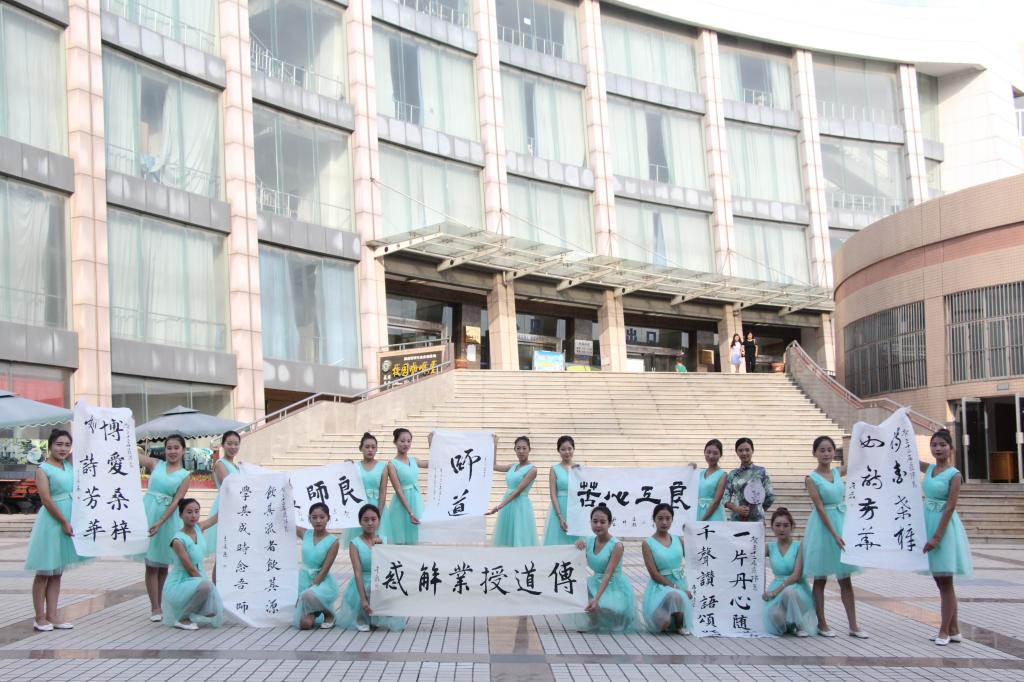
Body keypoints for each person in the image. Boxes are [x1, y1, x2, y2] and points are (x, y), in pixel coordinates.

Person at [803, 435, 866, 639]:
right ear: (814, 453)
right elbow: (820, 508)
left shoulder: (838, 473)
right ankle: (822, 623)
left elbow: (858, 464)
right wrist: (834, 534)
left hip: (841, 521)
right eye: (822, 450)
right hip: (823, 528)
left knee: (845, 578)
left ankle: (853, 625)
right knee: (820, 578)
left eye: (829, 450)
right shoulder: (811, 478)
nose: (826, 454)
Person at [25, 429, 87, 631]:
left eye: (67, 445)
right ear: (50, 445)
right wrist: (63, 521)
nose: (63, 448)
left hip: (69, 519)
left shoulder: (68, 465)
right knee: (44, 571)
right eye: (59, 444)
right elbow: (46, 499)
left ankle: (52, 614)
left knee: (57, 572)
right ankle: (39, 617)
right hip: (52, 522)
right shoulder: (43, 469)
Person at [920, 429, 973, 646]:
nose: (938, 448)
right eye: (934, 445)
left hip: (944, 529)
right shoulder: (929, 469)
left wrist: (936, 537)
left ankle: (944, 630)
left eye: (942, 445)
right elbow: (907, 460)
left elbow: (950, 507)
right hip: (928, 521)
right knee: (940, 581)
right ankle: (955, 629)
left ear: (951, 448)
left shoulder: (955, 474)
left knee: (946, 581)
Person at [137, 434, 191, 621]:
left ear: (183, 450)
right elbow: (133, 455)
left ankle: (161, 604)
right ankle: (155, 607)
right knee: (151, 564)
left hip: (167, 519)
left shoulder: (185, 475)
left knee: (162, 565)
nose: (172, 451)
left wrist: (160, 521)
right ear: (164, 449)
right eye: (169, 448)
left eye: (176, 448)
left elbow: (177, 502)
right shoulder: (156, 464)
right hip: (148, 513)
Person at [565, 504, 636, 633]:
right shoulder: (589, 542)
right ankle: (594, 622)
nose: (598, 525)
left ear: (610, 523)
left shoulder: (617, 546)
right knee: (578, 588)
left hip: (614, 585)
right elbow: (575, 562)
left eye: (602, 522)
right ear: (590, 522)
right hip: (596, 581)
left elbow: (608, 574)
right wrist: (577, 545)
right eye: (595, 521)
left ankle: (618, 617)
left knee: (608, 609)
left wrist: (596, 599)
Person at [336, 504, 405, 631]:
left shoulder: (385, 540)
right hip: (362, 582)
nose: (370, 523)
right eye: (366, 519)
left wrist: (379, 548)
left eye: (373, 519)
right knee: (369, 589)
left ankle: (376, 616)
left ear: (378, 521)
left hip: (380, 580)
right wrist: (363, 599)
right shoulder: (354, 543)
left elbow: (390, 567)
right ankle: (361, 616)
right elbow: (357, 572)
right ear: (360, 522)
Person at [162, 498, 222, 630]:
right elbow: (190, 570)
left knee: (214, 610)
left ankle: (196, 610)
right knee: (207, 588)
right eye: (189, 512)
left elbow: (217, 517)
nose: (194, 515)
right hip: (180, 583)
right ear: (181, 515)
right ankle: (182, 619)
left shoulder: (198, 528)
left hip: (196, 579)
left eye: (196, 511)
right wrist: (208, 589)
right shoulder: (178, 540)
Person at [763, 508, 816, 637]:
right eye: (777, 525)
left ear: (792, 527)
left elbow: (796, 575)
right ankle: (790, 625)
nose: (781, 529)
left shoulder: (799, 545)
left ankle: (799, 625)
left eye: (786, 525)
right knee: (775, 615)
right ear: (772, 527)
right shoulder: (769, 547)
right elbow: (752, 559)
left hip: (797, 589)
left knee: (789, 592)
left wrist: (775, 592)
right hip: (777, 586)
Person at [641, 503, 692, 634]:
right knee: (664, 622)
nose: (664, 522)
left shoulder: (678, 540)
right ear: (654, 519)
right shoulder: (647, 543)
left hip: (680, 582)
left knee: (678, 596)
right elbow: (654, 574)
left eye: (668, 519)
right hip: (660, 587)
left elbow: (694, 560)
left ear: (672, 520)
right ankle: (670, 617)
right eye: (660, 518)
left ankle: (680, 623)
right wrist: (676, 588)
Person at [294, 502, 340, 629]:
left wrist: (309, 589)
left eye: (322, 517)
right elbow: (287, 522)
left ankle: (328, 613)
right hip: (304, 579)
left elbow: (325, 570)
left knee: (308, 594)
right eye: (314, 517)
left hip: (321, 582)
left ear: (328, 518)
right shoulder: (306, 534)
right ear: (309, 519)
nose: (318, 520)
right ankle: (316, 610)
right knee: (304, 624)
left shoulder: (333, 541)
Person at [204, 429, 242, 580]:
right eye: (229, 444)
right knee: (222, 555)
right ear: (223, 445)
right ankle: (216, 588)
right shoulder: (220, 464)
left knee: (232, 554)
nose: (233, 447)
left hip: (237, 509)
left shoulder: (238, 466)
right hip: (226, 508)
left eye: (236, 444)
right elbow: (230, 486)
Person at [489, 435, 538, 547]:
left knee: (519, 537)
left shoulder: (532, 469)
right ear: (514, 450)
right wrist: (495, 445)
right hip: (508, 505)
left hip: (520, 505)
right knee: (506, 538)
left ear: (529, 449)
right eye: (518, 448)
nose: (521, 451)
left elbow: (517, 491)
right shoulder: (512, 466)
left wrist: (499, 506)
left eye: (524, 448)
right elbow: (493, 466)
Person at [343, 433, 389, 548]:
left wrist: (379, 514)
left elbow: (383, 491)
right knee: (359, 541)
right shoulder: (355, 466)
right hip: (359, 506)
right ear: (361, 448)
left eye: (373, 447)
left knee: (378, 541)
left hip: (377, 505)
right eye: (367, 447)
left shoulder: (383, 466)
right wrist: (346, 466)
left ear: (376, 449)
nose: (370, 450)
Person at [382, 428, 427, 545]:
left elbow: (429, 463)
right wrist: (410, 512)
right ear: (395, 442)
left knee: (416, 538)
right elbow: (398, 489)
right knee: (401, 539)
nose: (406, 444)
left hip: (416, 500)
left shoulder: (414, 460)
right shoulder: (392, 464)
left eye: (408, 441)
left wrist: (432, 444)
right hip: (402, 504)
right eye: (402, 441)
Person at [723, 438, 774, 523]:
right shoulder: (733, 474)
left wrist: (758, 509)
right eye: (740, 450)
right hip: (737, 519)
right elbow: (725, 499)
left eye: (747, 450)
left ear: (752, 451)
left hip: (757, 521)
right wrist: (736, 508)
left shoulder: (762, 472)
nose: (744, 453)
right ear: (736, 452)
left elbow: (770, 496)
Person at [544, 435, 581, 545]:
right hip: (559, 507)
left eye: (569, 449)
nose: (567, 452)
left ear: (573, 449)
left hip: (575, 507)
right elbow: (553, 494)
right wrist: (559, 516)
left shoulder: (579, 468)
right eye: (563, 449)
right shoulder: (554, 469)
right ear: (558, 451)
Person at [697, 439, 728, 522]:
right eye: (708, 452)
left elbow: (716, 501)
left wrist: (702, 520)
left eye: (715, 453)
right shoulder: (699, 473)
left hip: (714, 514)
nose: (711, 456)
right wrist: (690, 468)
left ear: (720, 455)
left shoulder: (722, 475)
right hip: (698, 511)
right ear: (704, 452)